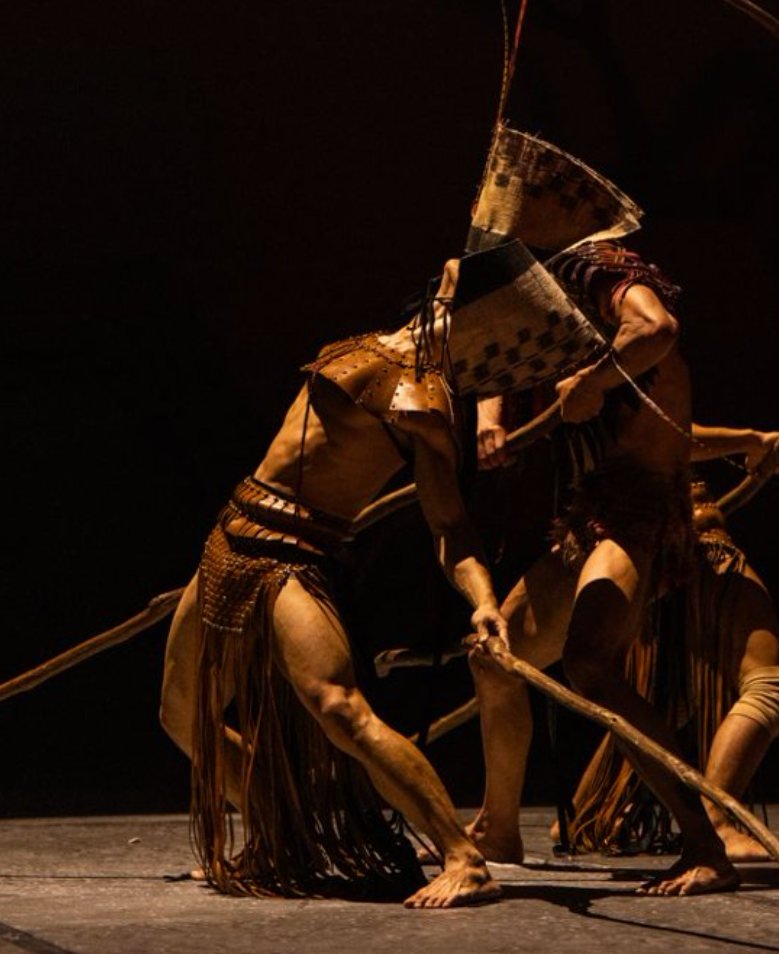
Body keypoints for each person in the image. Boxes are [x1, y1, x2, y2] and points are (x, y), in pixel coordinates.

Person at [157, 239, 604, 906]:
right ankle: (283, 832)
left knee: (339, 708)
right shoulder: (376, 342)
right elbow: (465, 262)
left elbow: (450, 528)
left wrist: (483, 602)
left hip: (291, 557)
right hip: (230, 537)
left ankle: (463, 856)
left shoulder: (425, 408)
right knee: (180, 711)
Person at [460, 234, 745, 895]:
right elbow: (494, 356)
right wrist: (489, 416)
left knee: (591, 664)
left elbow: (656, 328)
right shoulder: (542, 299)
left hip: (639, 511)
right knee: (495, 657)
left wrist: (592, 382)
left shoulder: (600, 268)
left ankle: (705, 846)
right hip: (589, 516)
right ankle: (499, 827)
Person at [562, 440, 779, 862]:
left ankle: (598, 807)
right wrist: (751, 439)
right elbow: (672, 433)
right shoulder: (636, 401)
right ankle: (715, 821)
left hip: (629, 542)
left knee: (658, 696)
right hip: (670, 539)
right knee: (771, 682)